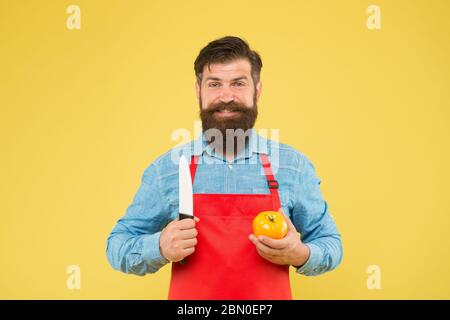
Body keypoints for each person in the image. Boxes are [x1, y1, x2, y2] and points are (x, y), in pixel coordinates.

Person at [106, 36, 343, 299]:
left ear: (258, 90)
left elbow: (331, 244)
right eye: (214, 84)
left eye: (238, 83)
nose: (227, 96)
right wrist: (159, 247)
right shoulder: (169, 169)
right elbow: (117, 246)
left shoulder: (292, 166)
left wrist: (300, 254)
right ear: (198, 90)